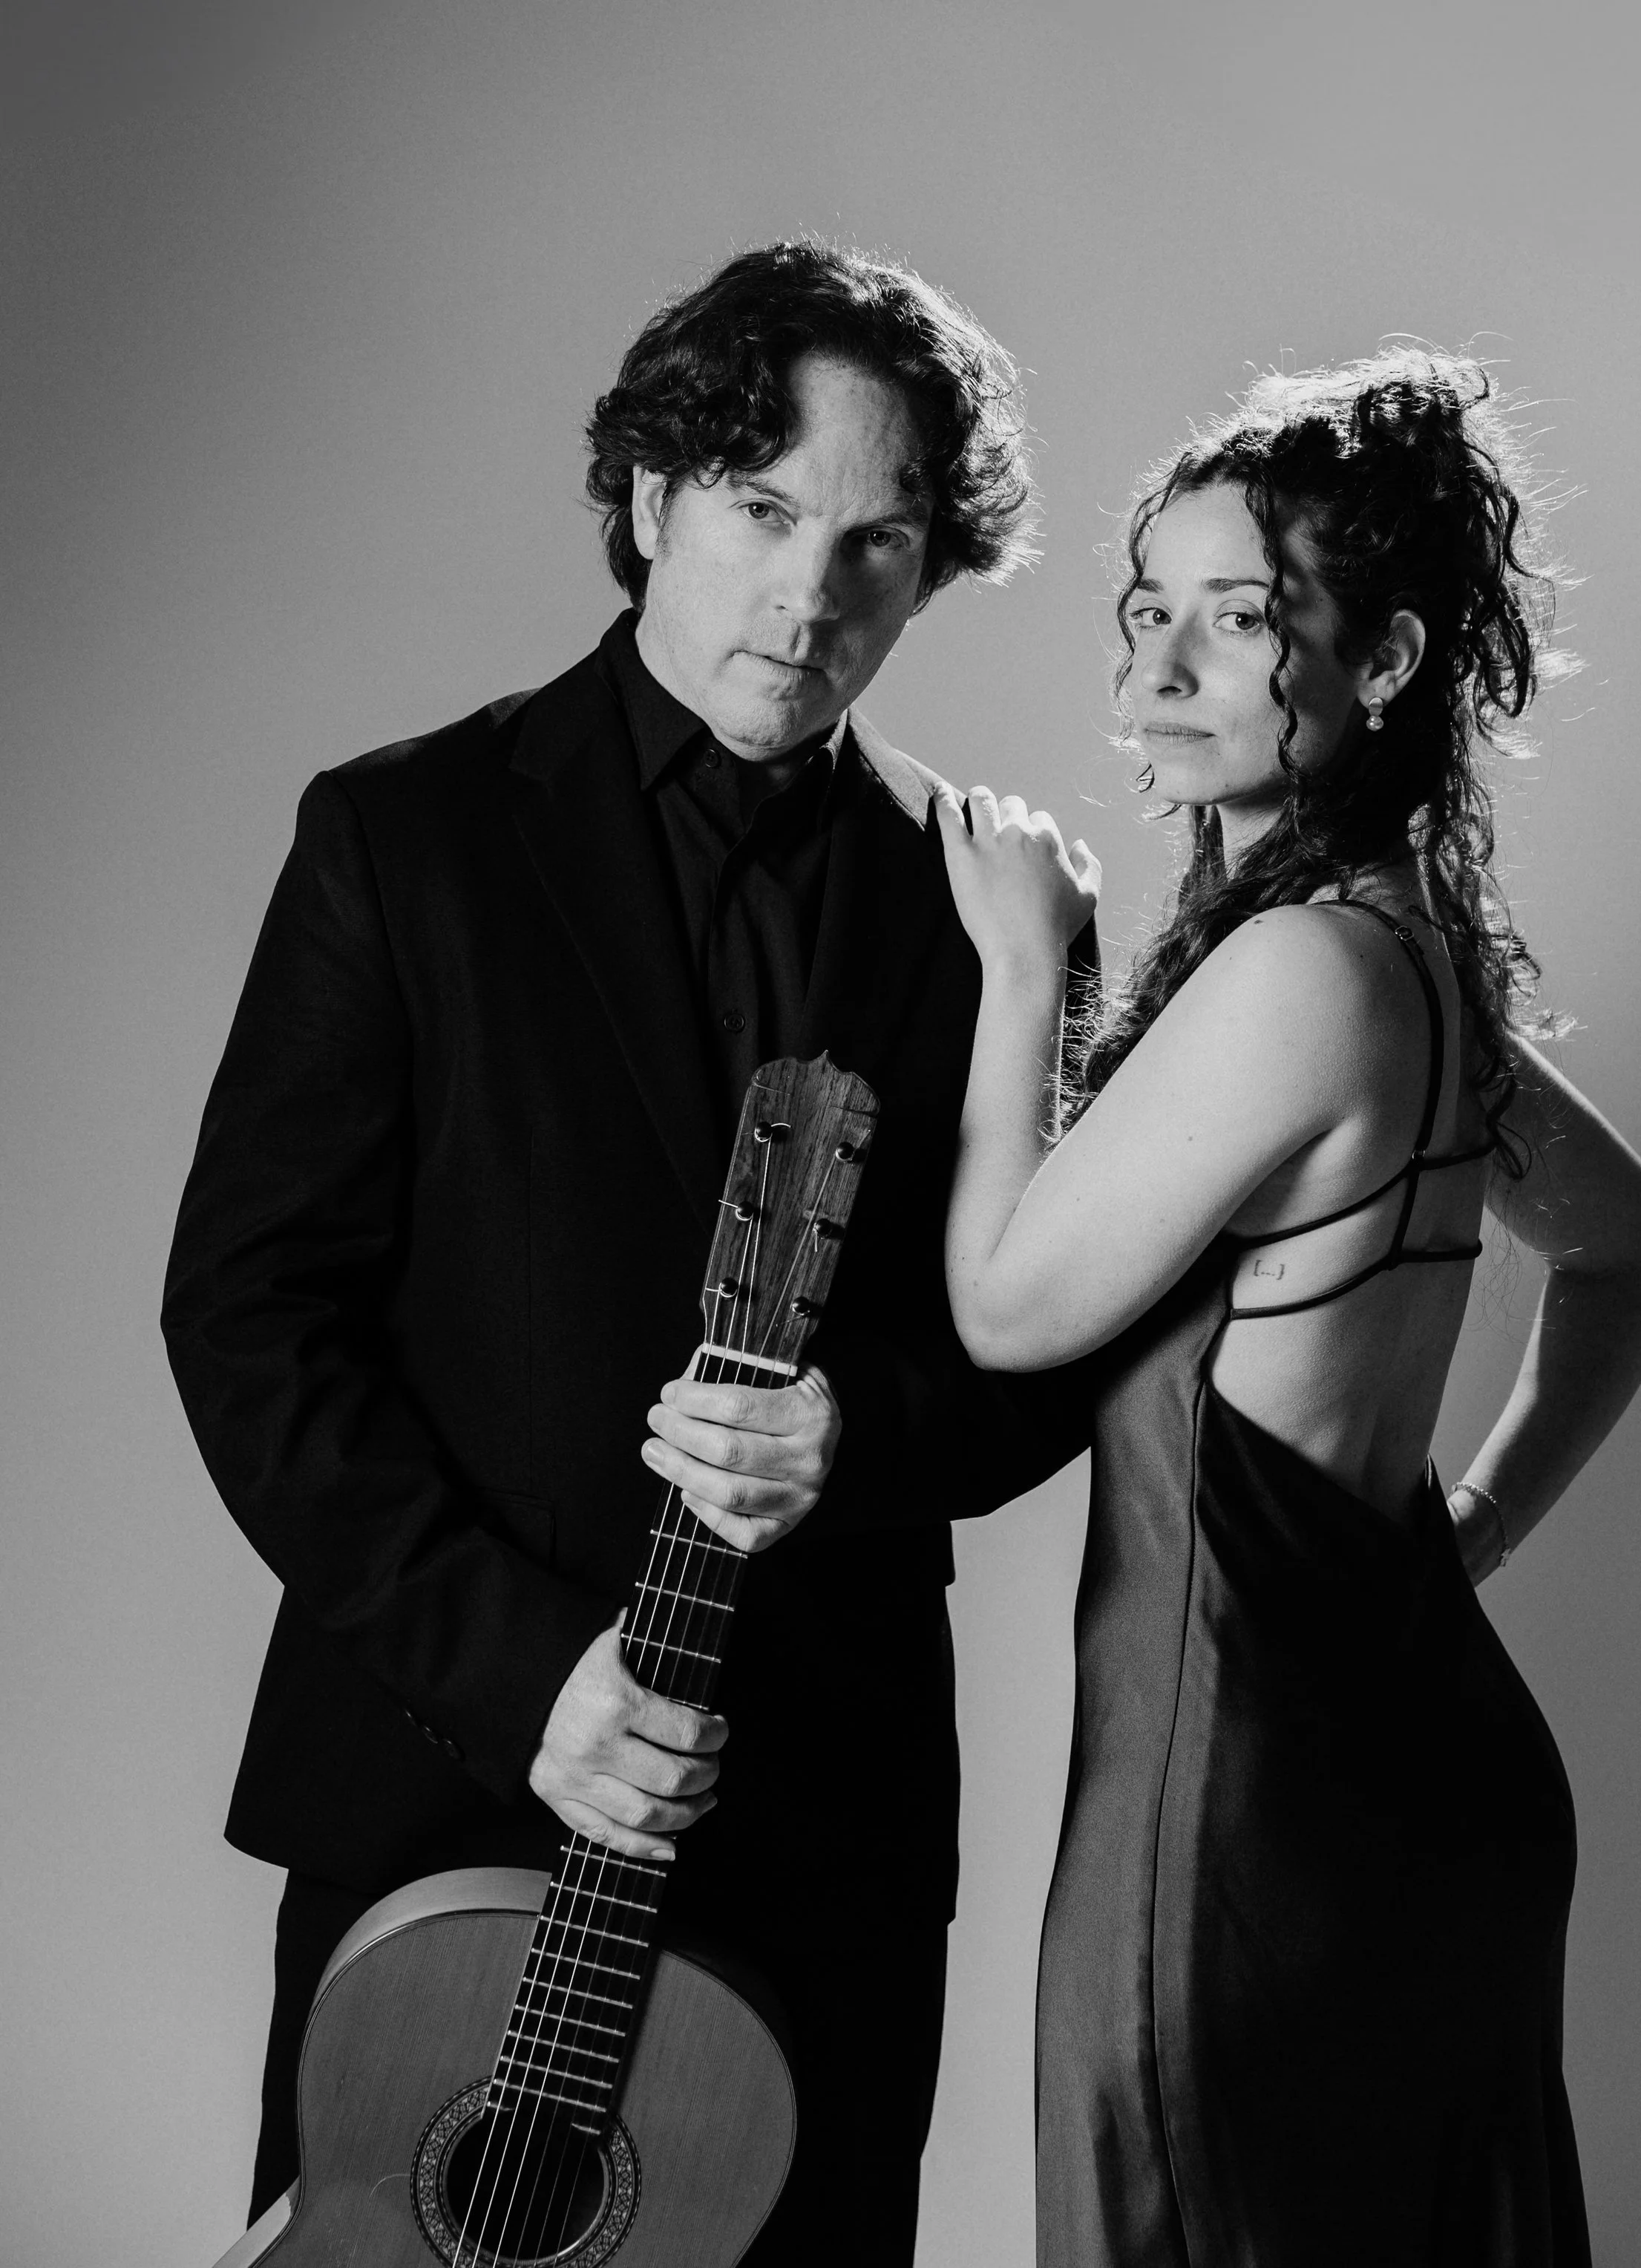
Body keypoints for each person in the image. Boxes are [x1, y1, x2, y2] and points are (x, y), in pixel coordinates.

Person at [162, 239, 1089, 2265]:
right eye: (763, 511)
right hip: (446, 1771)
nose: (809, 593)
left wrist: (858, 1433)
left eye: (876, 539)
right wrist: (528, 1681)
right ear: (656, 496)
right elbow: (249, 1318)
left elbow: (1042, 1348)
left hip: (816, 1819)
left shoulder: (989, 908)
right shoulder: (402, 841)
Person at [933, 352, 1641, 2265]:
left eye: (1243, 617)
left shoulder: (1300, 974)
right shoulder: (1397, 960)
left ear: (1387, 658)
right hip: (1407, 1794)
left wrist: (1019, 978)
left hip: (1248, 1836)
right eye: (1149, 612)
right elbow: (1635, 1250)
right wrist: (1470, 1532)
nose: (1165, 667)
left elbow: (1011, 1313)